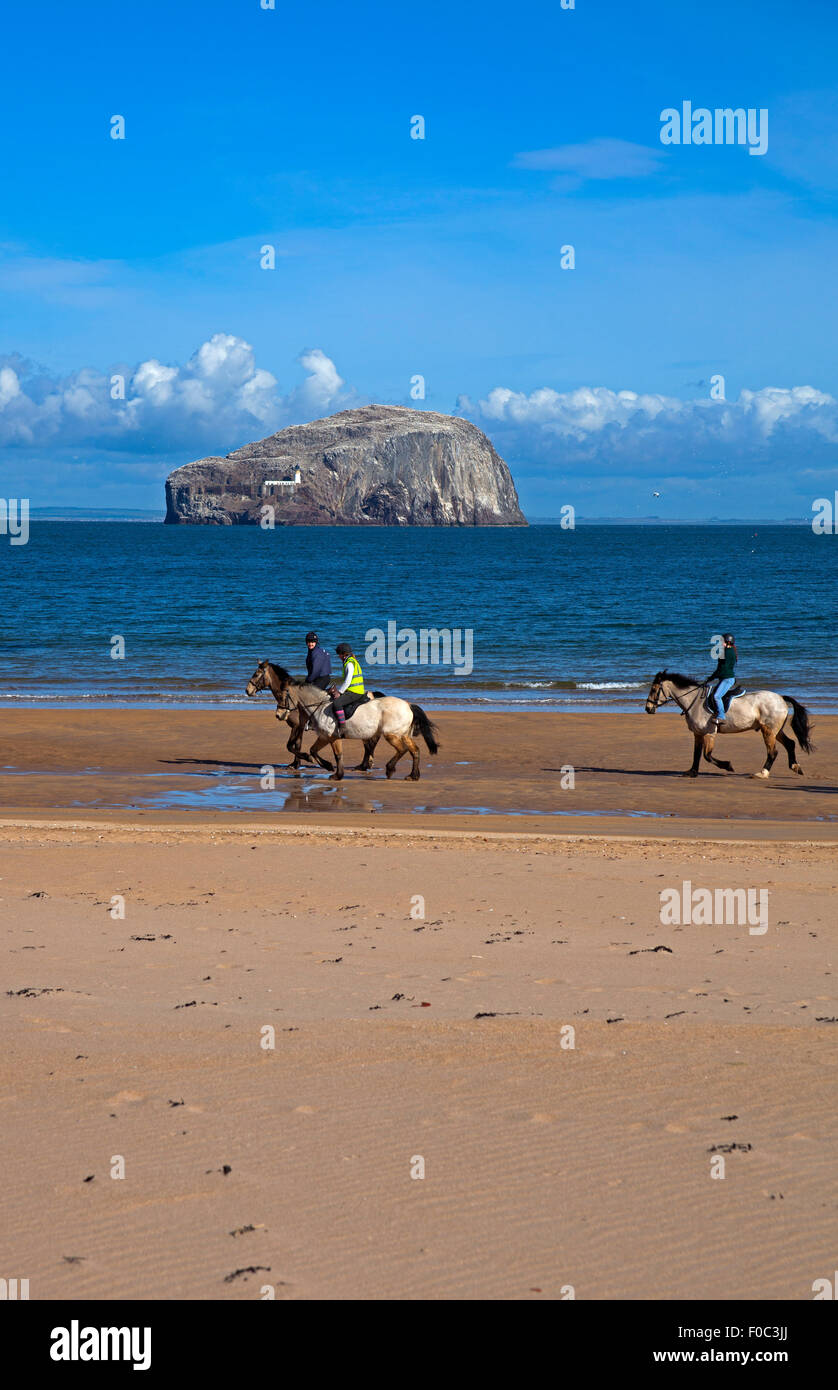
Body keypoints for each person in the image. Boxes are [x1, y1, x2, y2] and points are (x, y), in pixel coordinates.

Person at [329, 642, 366, 729]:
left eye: (339, 654)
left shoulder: (349, 664)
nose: (338, 656)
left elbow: (348, 681)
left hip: (355, 692)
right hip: (355, 690)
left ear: (343, 654)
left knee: (337, 703)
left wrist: (339, 692)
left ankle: (342, 726)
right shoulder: (351, 661)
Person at [708, 634, 738, 724]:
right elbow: (720, 668)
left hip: (727, 679)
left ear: (728, 642)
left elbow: (722, 669)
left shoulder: (728, 652)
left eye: (722, 641)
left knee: (716, 696)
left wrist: (713, 677)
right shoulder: (727, 651)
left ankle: (721, 716)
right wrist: (711, 677)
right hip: (725, 678)